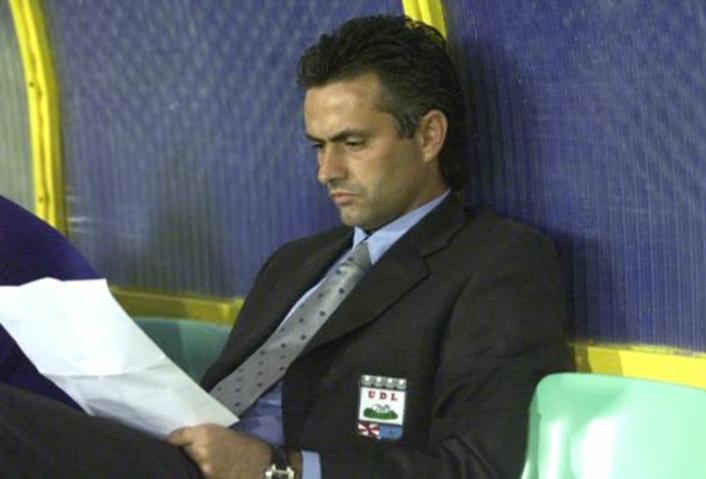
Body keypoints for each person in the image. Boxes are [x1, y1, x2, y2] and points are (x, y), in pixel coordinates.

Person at [0, 15, 569, 479]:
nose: (328, 170)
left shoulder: (497, 263)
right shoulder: (295, 263)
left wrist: (279, 469)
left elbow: (473, 466)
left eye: (352, 143)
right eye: (318, 146)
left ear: (428, 135)